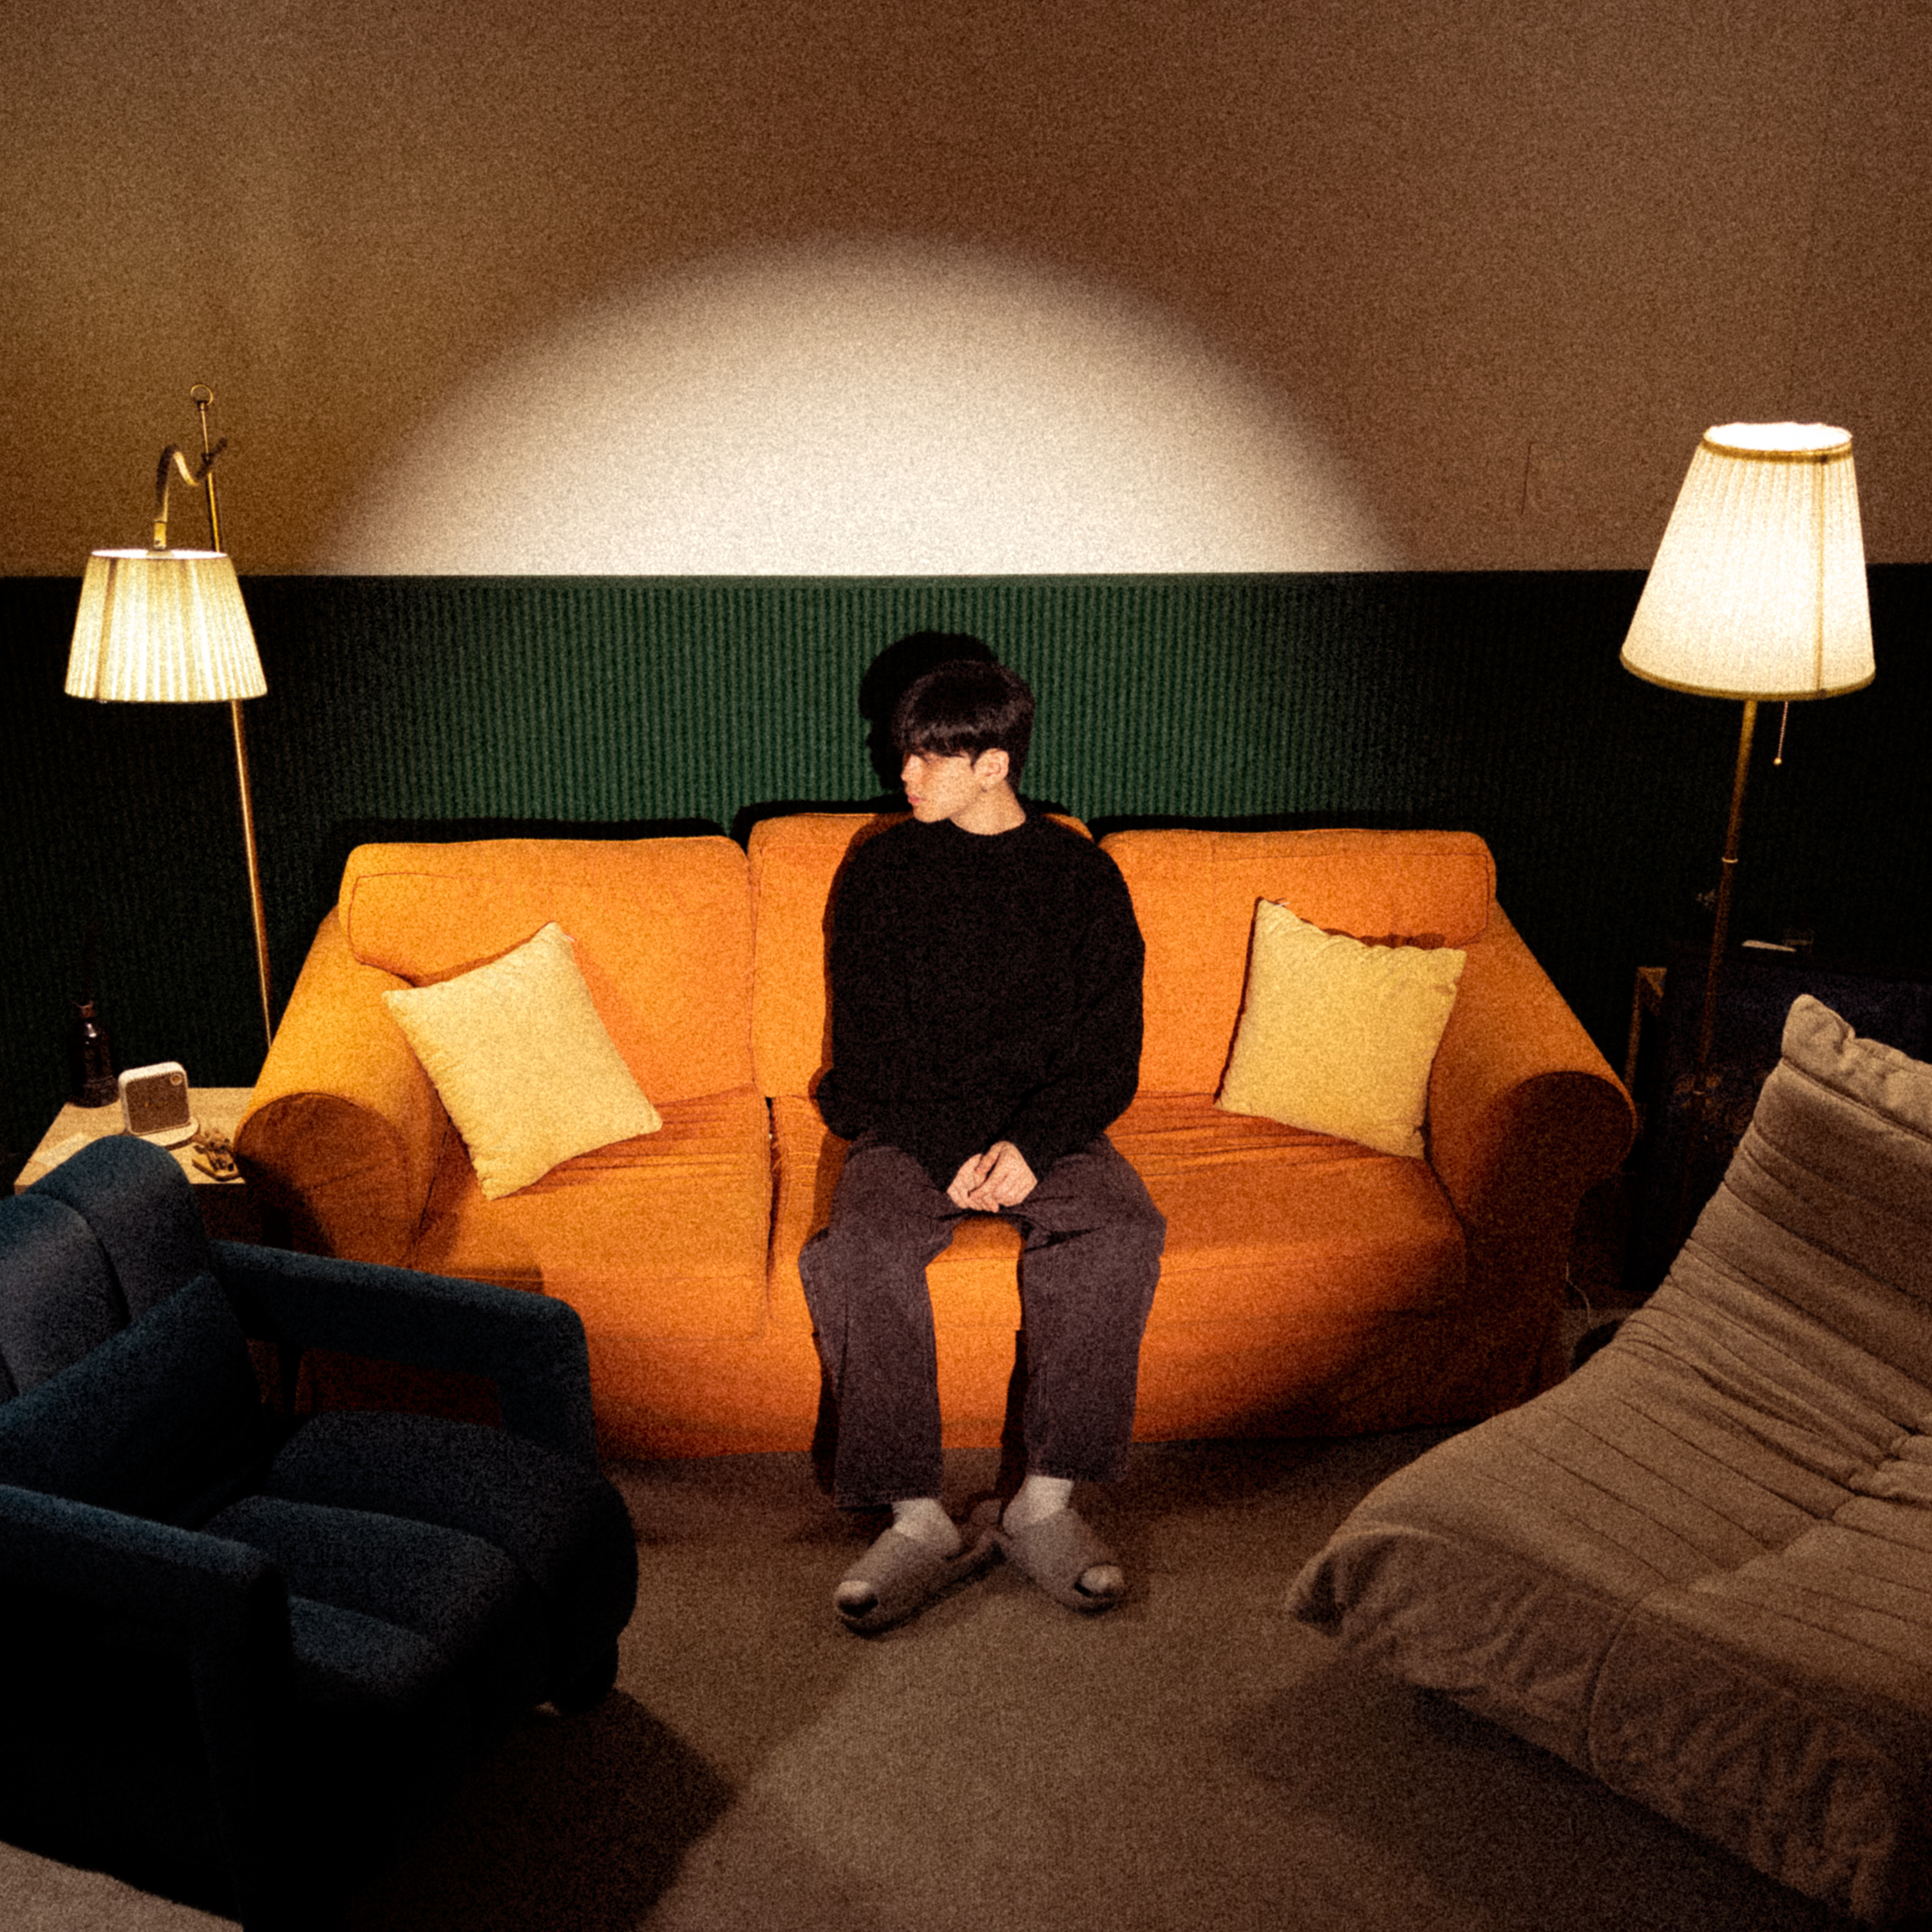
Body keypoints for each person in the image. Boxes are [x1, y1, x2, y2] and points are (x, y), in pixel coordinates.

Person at [799, 650, 1166, 1631]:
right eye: (904, 752)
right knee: (863, 1247)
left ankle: (1043, 1505)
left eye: (928, 756)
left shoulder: (1082, 878)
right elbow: (870, 1047)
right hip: (913, 1124)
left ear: (994, 765)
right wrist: (948, 1149)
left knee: (1122, 1227)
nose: (904, 774)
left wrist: (1034, 1147)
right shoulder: (882, 871)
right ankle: (916, 1518)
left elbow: (1111, 1053)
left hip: (1048, 1129)